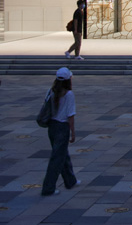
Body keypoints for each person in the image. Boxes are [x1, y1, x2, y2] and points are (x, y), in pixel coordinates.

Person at [40, 67, 78, 196]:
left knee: (62, 154)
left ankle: (70, 180)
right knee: (57, 158)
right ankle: (48, 188)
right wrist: (73, 132)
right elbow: (70, 115)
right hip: (62, 127)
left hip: (52, 126)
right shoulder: (68, 94)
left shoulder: (50, 91)